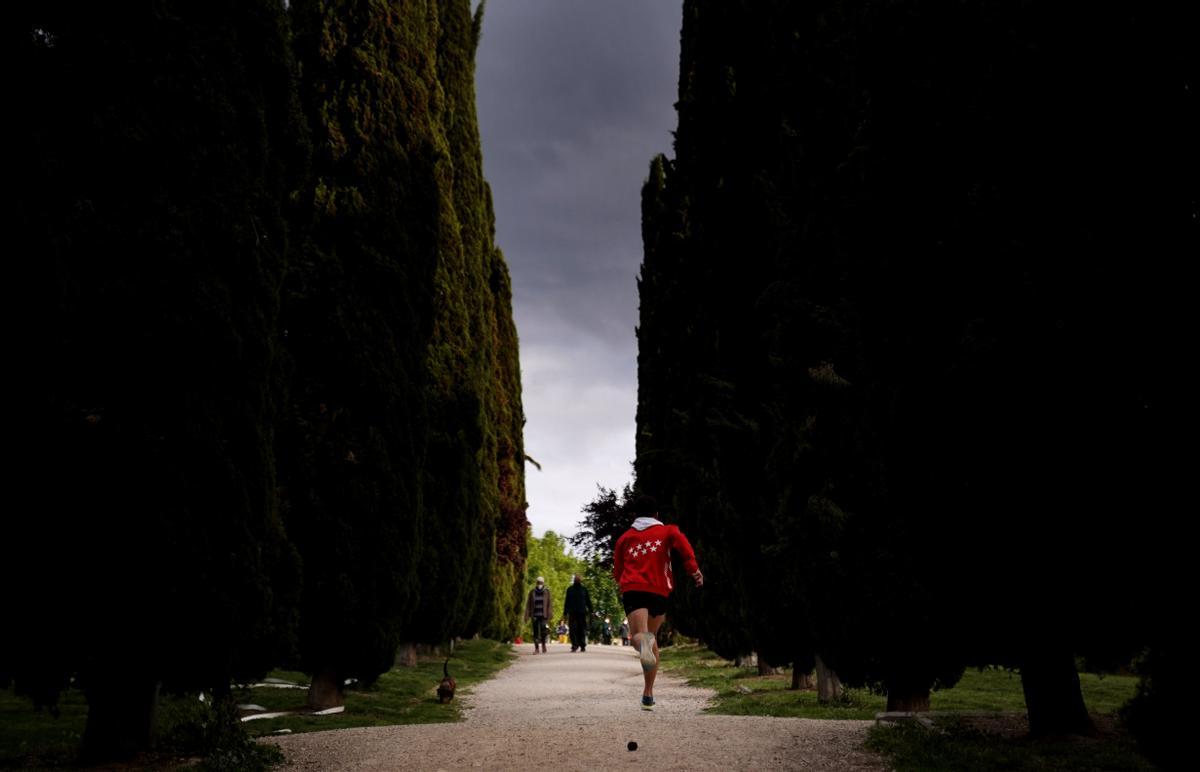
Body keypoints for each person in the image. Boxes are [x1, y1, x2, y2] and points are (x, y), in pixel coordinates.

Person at [612, 494, 703, 710]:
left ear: (634, 515)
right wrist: (694, 571)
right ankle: (648, 693)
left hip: (635, 589)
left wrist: (622, 582)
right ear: (656, 514)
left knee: (641, 639)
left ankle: (641, 649)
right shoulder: (668, 531)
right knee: (649, 640)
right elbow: (684, 548)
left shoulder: (625, 538)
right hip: (659, 591)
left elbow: (618, 569)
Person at [563, 573, 593, 652]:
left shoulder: (584, 589)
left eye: (578, 579)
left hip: (582, 612)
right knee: (573, 629)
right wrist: (565, 613)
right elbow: (567, 602)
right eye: (576, 579)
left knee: (581, 629)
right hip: (572, 612)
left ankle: (582, 645)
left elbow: (588, 601)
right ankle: (574, 645)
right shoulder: (570, 589)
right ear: (574, 580)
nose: (577, 580)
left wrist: (591, 610)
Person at [525, 576, 552, 654]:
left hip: (544, 615)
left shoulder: (547, 591)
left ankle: (543, 644)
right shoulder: (532, 592)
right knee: (536, 632)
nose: (539, 584)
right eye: (538, 582)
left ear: (543, 583)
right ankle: (536, 648)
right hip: (535, 615)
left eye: (541, 582)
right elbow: (528, 604)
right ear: (536, 583)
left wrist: (549, 615)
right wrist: (527, 615)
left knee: (544, 631)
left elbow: (549, 604)